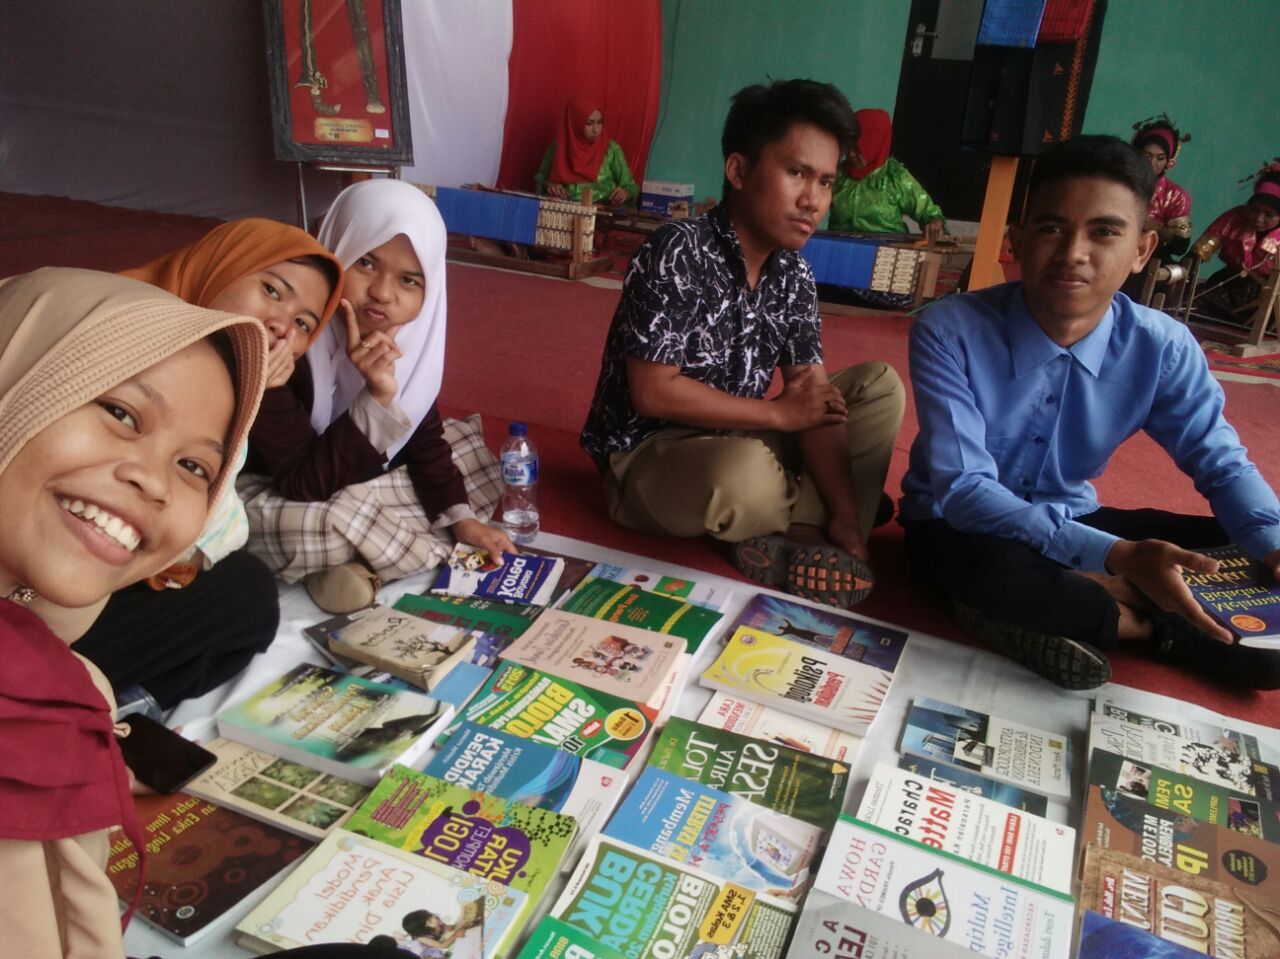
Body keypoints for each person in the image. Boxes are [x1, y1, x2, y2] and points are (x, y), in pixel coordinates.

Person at [900, 135, 1280, 690]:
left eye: (1104, 232)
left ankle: (1086, 605)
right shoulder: (949, 330)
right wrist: (1118, 557)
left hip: (1076, 521)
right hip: (958, 527)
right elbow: (963, 490)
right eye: (1052, 228)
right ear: (1018, 240)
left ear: (1143, 250)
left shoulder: (1162, 347)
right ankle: (1147, 625)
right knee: (985, 567)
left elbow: (1222, 465)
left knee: (1246, 570)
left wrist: (1272, 544)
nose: (1074, 253)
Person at [580, 79, 906, 609]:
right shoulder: (677, 249)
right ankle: (801, 513)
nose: (813, 200)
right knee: (745, 473)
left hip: (739, 431)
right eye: (796, 173)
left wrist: (848, 518)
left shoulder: (794, 273)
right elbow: (652, 392)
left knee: (879, 387)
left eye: (826, 182)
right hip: (647, 457)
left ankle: (811, 526)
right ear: (738, 170)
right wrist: (778, 415)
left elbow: (813, 395)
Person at [73, 219, 344, 717]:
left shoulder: (231, 378)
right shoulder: (111, 327)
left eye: (305, 324)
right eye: (271, 290)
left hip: (110, 574)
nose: (283, 327)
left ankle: (111, 709)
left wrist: (256, 395)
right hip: (44, 564)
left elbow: (217, 516)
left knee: (248, 595)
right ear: (220, 269)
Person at [243, 179, 513, 613]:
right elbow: (301, 482)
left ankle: (360, 561)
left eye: (409, 280)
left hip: (350, 479)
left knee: (467, 452)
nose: (383, 293)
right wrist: (377, 398)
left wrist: (461, 520)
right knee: (308, 526)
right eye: (366, 262)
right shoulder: (288, 339)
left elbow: (425, 441)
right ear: (335, 250)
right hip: (286, 485)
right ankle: (380, 553)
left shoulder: (403, 347)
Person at [824, 108, 945, 310]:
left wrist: (933, 224)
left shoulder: (896, 178)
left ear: (874, 144)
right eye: (849, 147)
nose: (851, 154)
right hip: (842, 258)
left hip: (884, 262)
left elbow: (930, 214)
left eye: (858, 148)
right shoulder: (837, 175)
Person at [1189, 161, 1280, 326]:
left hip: (1268, 297)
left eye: (1269, 215)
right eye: (1254, 210)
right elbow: (1201, 251)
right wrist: (1185, 271)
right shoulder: (1235, 217)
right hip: (1228, 287)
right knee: (1193, 302)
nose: (1259, 219)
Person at [534, 94, 639, 206]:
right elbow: (540, 179)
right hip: (564, 211)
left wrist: (625, 193)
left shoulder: (610, 149)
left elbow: (631, 187)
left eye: (600, 122)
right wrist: (550, 185)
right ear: (575, 122)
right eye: (589, 123)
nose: (596, 130)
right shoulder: (559, 146)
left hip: (602, 211)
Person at [1131, 114, 1193, 258]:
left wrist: (1157, 229)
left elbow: (1180, 246)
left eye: (1160, 158)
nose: (1152, 163)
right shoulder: (1118, 182)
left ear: (1169, 161)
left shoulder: (1177, 196)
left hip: (1149, 257)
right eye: (1147, 156)